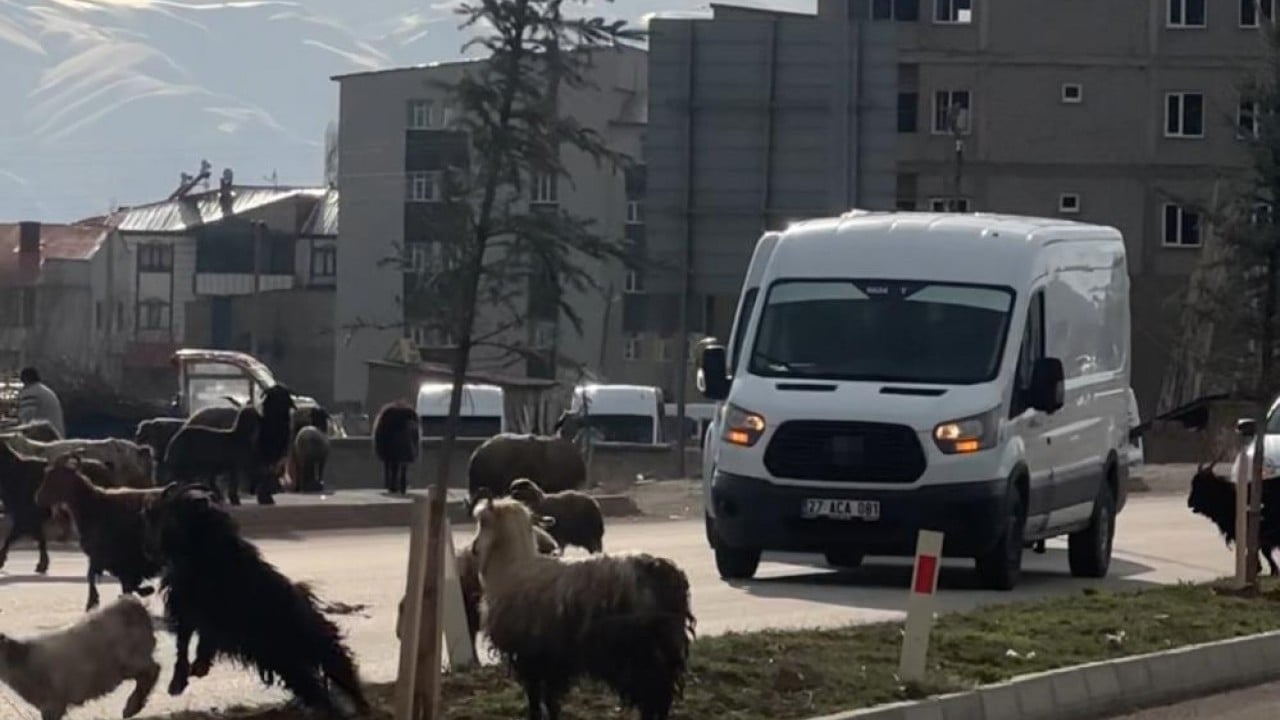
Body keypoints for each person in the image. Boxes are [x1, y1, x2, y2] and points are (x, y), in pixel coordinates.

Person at [16, 366, 65, 438]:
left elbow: (26, 419)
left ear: (24, 379)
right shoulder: (44, 390)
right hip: (56, 435)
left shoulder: (31, 392)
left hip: (45, 439)